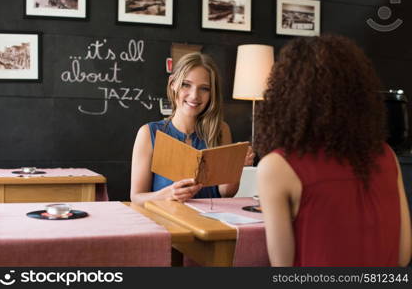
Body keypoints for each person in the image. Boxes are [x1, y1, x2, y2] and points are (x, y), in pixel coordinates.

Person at [255, 34, 412, 267]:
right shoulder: (387, 156)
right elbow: (402, 256)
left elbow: (282, 267)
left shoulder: (277, 166)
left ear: (286, 95)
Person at [131, 52, 254, 205]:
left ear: (212, 93)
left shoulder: (221, 131)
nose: (194, 95)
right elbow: (136, 198)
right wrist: (168, 194)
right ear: (173, 84)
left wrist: (236, 166)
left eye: (204, 88)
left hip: (209, 224)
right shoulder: (149, 134)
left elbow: (226, 193)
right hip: (168, 223)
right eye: (186, 84)